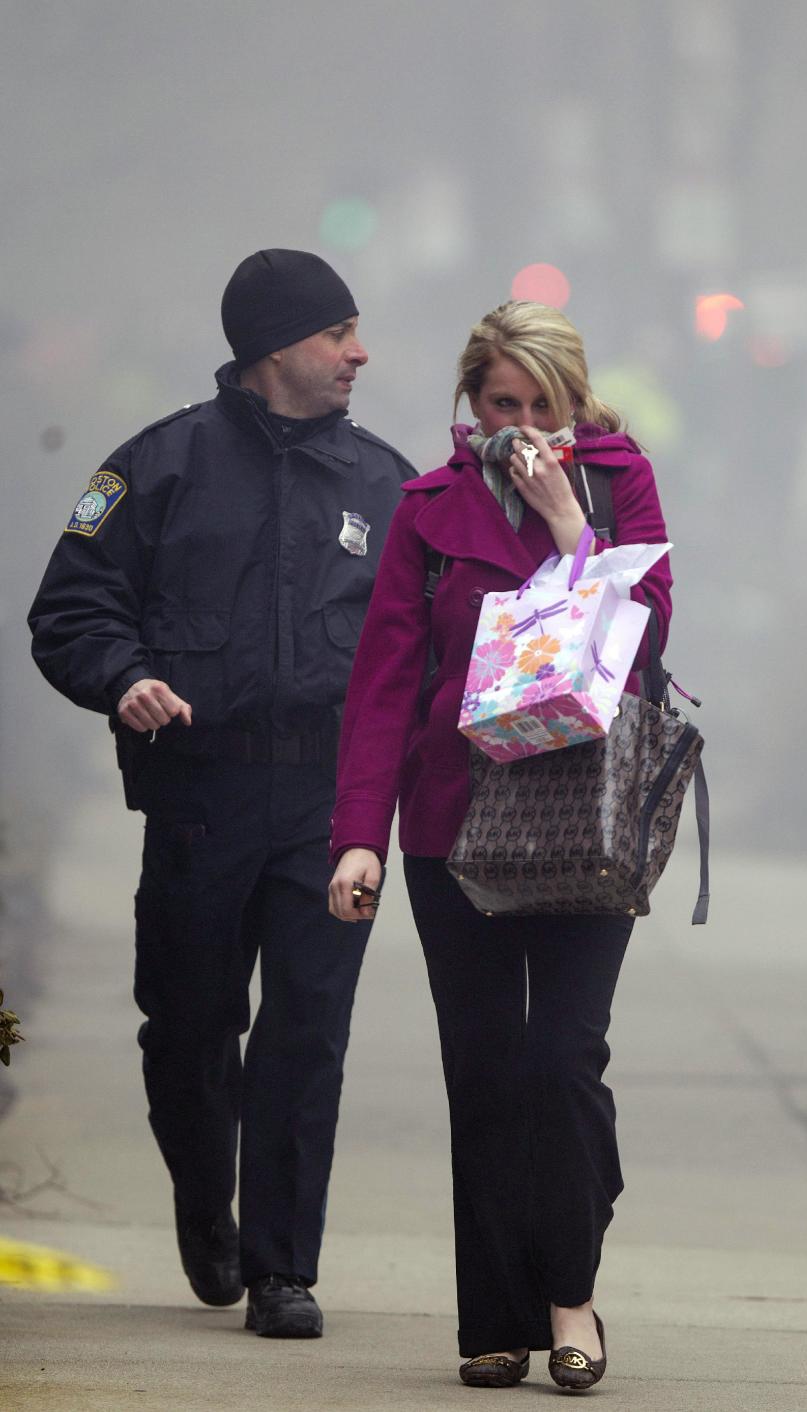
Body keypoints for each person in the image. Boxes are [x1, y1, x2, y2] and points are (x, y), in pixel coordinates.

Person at [29, 249, 414, 1339]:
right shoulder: (155, 470)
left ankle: (282, 1265)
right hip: (200, 802)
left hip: (332, 811)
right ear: (275, 349)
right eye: (339, 332)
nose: (359, 351)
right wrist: (126, 677)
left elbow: (438, 640)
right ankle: (209, 1205)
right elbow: (69, 612)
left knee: (307, 1031)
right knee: (191, 1027)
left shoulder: (388, 486)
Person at [328, 300, 673, 1389]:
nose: (519, 424)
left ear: (575, 403)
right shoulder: (425, 508)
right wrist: (358, 840)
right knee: (482, 1069)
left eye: (541, 404)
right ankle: (496, 1317)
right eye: (500, 403)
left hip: (582, 820)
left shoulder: (619, 484)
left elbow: (649, 632)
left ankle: (570, 1292)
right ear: (470, 403)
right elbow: (384, 683)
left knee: (560, 1057)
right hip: (452, 822)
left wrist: (570, 518)